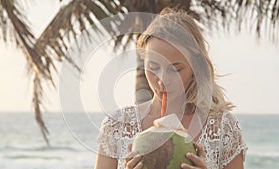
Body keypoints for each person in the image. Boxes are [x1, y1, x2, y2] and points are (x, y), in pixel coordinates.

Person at [95, 5, 248, 169]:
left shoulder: (223, 128)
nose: (162, 80)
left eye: (174, 69)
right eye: (153, 67)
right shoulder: (117, 125)